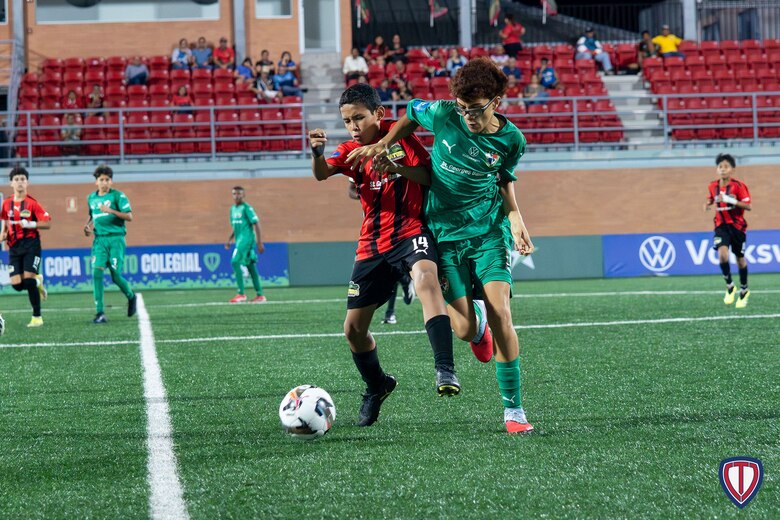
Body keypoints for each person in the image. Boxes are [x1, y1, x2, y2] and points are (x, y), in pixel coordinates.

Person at [346, 57, 536, 434]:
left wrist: (516, 220)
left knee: (502, 313)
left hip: (486, 233)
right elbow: (411, 113)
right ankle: (476, 326)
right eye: (463, 108)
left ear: (496, 102)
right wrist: (384, 143)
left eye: (476, 110)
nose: (468, 117)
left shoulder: (512, 140)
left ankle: (513, 411)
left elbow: (504, 180)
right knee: (465, 330)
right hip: (444, 236)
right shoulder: (444, 113)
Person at [308, 83, 461, 425]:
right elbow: (321, 175)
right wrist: (318, 153)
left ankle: (445, 370)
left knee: (426, 280)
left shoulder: (402, 138)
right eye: (347, 121)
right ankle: (377, 385)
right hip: (371, 245)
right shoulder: (350, 148)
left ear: (378, 114)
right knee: (353, 330)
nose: (353, 127)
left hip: (410, 232)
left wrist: (396, 168)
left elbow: (428, 176)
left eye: (359, 118)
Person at [346, 179, 415, 325]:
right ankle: (404, 281)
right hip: (372, 232)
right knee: (379, 275)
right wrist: (363, 194)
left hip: (398, 229)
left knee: (390, 270)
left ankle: (390, 312)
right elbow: (351, 190)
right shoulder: (359, 161)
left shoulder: (397, 161)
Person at [83, 165, 137, 324]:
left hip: (116, 240)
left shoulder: (118, 196)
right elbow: (92, 215)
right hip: (99, 241)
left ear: (111, 181)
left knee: (115, 275)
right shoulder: (91, 198)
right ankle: (100, 313)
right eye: (101, 180)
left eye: (107, 179)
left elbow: (129, 216)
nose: (104, 182)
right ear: (96, 182)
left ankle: (131, 296)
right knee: (96, 273)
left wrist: (111, 211)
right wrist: (88, 227)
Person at [0, 166, 51, 328]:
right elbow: (6, 222)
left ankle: (37, 317)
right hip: (14, 247)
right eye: (16, 179)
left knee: (28, 280)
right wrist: (3, 233)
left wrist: (31, 223)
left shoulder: (33, 204)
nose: (20, 182)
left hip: (31, 245)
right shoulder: (6, 203)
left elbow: (47, 223)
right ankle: (38, 281)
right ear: (11, 183)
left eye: (22, 179)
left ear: (27, 182)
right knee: (16, 285)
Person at [704, 153, 752, 308]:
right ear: (717, 169)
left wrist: (729, 199)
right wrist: (707, 204)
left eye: (726, 167)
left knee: (740, 259)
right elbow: (710, 199)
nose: (722, 169)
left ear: (732, 170)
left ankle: (744, 290)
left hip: (737, 227)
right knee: (722, 255)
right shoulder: (712, 186)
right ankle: (730, 286)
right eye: (720, 167)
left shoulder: (738, 186)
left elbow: (748, 206)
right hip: (721, 226)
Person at [225, 186, 266, 303]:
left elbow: (256, 223)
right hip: (239, 240)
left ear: (243, 195)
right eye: (234, 194)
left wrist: (259, 242)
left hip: (247, 240)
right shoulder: (232, 209)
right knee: (251, 266)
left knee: (235, 261)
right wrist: (229, 239)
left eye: (239, 194)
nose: (236, 196)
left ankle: (241, 293)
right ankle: (260, 295)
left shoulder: (247, 208)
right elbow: (236, 227)